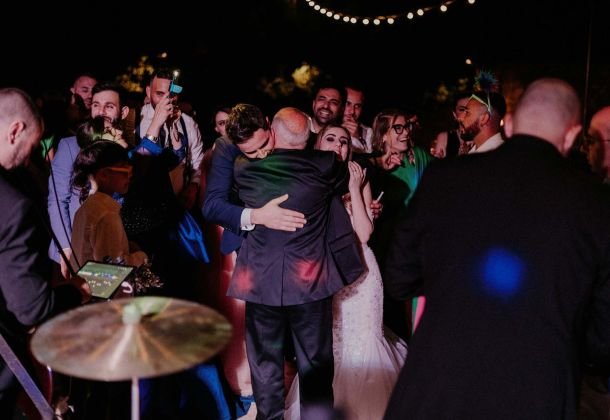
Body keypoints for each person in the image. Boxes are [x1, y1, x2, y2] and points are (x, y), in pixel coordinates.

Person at [383, 78, 610, 419]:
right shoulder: (596, 203)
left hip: (439, 386)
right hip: (536, 393)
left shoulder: (445, 177)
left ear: (512, 123)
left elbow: (399, 278)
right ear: (572, 134)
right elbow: (602, 337)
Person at [230, 106, 364, 420]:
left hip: (261, 282)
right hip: (309, 282)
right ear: (308, 138)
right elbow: (347, 179)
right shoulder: (326, 165)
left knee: (265, 367)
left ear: (272, 133)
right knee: (315, 367)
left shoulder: (244, 168)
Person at [285, 124, 407, 419]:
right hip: (325, 273)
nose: (338, 145)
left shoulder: (359, 177)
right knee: (332, 346)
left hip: (362, 273)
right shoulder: (305, 177)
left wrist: (354, 187)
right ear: (317, 144)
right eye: (330, 139)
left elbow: (364, 233)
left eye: (343, 141)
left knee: (365, 339)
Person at [0, 87, 89, 418]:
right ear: (15, 131)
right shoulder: (12, 206)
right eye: (32, 146)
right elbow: (31, 308)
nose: (28, 159)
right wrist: (77, 292)